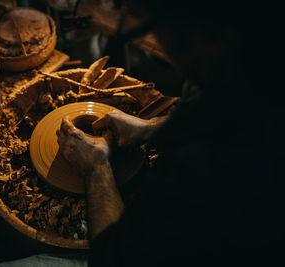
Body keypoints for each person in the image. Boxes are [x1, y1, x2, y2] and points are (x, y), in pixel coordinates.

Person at [57, 1, 285, 266]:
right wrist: (151, 127)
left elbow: (115, 259)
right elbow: (229, 109)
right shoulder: (260, 66)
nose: (167, 49)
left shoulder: (206, 171)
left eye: (167, 36)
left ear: (213, 39)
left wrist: (96, 169)